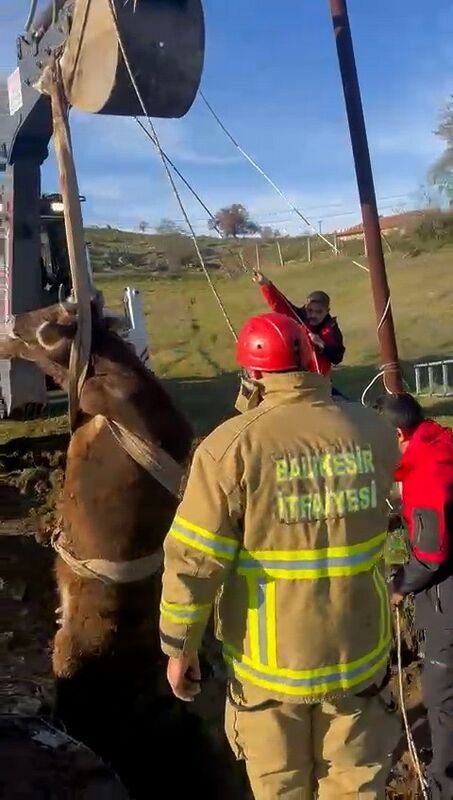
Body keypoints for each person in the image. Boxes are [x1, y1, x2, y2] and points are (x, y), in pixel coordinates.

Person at [159, 311, 401, 800]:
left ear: (251, 373)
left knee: (280, 789)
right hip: (358, 655)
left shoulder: (229, 448)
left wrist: (179, 646)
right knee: (356, 786)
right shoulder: (372, 431)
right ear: (312, 359)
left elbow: (194, 560)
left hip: (269, 671)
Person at [380, 393, 453, 800]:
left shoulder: (426, 475)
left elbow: (431, 554)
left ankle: (443, 786)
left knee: (443, 701)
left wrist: (399, 586)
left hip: (446, 604)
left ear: (398, 433)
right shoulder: (440, 443)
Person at [253, 270, 345, 376]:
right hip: (298, 377)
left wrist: (321, 344)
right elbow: (280, 304)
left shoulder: (331, 329)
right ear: (305, 307)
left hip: (320, 382)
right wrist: (266, 284)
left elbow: (337, 357)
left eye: (319, 312)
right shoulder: (298, 317)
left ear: (327, 311)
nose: (313, 315)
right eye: (310, 311)